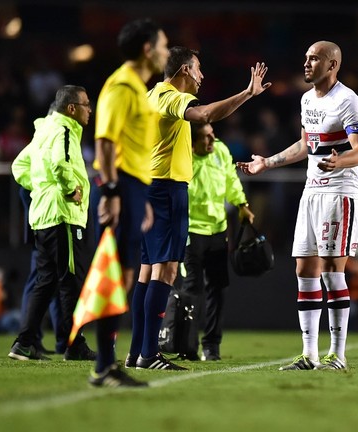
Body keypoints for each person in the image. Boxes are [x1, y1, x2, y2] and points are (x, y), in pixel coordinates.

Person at [127, 46, 271, 371]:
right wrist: (247, 93)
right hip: (166, 190)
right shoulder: (169, 96)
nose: (202, 76)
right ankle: (149, 354)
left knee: (148, 271)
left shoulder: (152, 95)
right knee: (165, 271)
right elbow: (204, 115)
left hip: (153, 186)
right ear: (185, 71)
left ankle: (138, 351)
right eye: (198, 69)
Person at [238, 40, 358, 371]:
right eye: (306, 58)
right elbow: (305, 143)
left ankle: (337, 355)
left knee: (330, 269)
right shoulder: (307, 99)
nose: (307, 63)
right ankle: (309, 355)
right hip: (311, 191)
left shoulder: (348, 101)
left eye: (315, 59)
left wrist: (340, 162)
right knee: (304, 269)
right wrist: (267, 163)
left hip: (340, 192)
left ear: (332, 65)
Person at [90, 18, 170, 387]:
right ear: (147, 49)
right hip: (120, 184)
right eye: (164, 46)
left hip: (135, 186)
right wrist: (110, 191)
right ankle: (104, 365)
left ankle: (107, 364)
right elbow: (105, 142)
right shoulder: (121, 86)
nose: (166, 53)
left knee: (122, 274)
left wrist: (144, 197)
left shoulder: (138, 87)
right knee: (115, 273)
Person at [8, 85, 97, 365]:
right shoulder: (65, 130)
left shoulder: (43, 131)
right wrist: (69, 189)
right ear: (71, 108)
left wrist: (41, 188)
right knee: (70, 281)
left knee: (46, 281)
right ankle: (74, 344)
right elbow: (60, 164)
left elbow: (19, 166)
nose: (90, 110)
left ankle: (24, 343)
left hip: (44, 215)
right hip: (63, 215)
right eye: (86, 105)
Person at [166, 122, 255, 361]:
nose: (211, 141)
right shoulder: (182, 158)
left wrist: (241, 205)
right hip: (191, 231)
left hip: (218, 230)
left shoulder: (221, 151)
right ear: (192, 142)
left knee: (217, 288)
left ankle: (211, 346)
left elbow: (231, 181)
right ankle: (187, 345)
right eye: (205, 138)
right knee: (191, 290)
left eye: (212, 135)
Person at [19, 187, 63, 355]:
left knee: (53, 278)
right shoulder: (34, 161)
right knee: (40, 278)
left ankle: (63, 339)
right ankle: (29, 339)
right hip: (44, 208)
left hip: (45, 203)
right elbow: (20, 168)